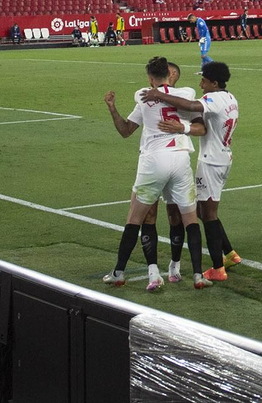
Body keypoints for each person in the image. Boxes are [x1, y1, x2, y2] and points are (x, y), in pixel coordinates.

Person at [101, 57, 211, 291]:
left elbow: (125, 131)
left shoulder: (142, 95)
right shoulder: (187, 93)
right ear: (170, 74)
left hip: (153, 159)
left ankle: (119, 272)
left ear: (151, 77)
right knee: (190, 219)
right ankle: (198, 275)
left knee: (135, 218)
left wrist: (112, 108)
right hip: (181, 157)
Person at [140, 61, 241, 284]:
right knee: (206, 211)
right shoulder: (231, 98)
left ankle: (217, 268)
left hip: (211, 162)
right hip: (224, 158)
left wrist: (160, 96)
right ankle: (230, 254)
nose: (200, 84)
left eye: (204, 80)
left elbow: (190, 105)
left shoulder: (212, 99)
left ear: (214, 83)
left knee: (208, 215)